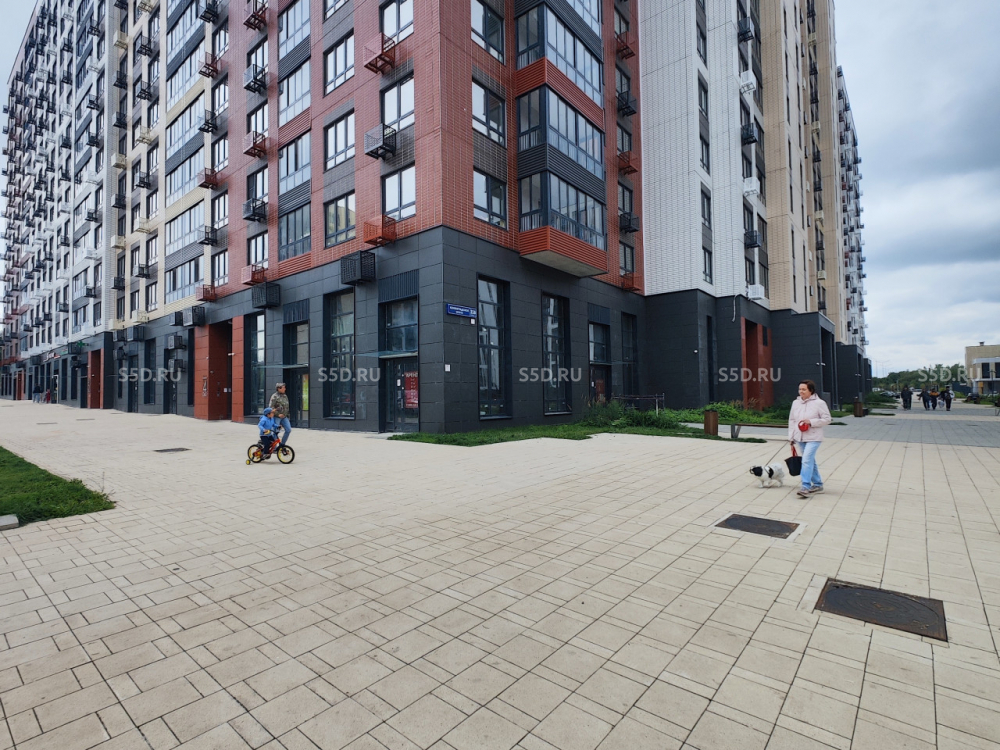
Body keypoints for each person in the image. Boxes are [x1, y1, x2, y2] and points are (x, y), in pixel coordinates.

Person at [788, 379, 832, 498]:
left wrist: (811, 422)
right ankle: (818, 484)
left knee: (806, 460)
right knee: (810, 460)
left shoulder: (819, 403)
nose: (801, 391)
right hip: (800, 437)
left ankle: (805, 486)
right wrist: (791, 436)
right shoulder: (795, 403)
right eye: (800, 389)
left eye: (804, 389)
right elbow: (792, 420)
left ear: (811, 390)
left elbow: (827, 419)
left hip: (814, 437)